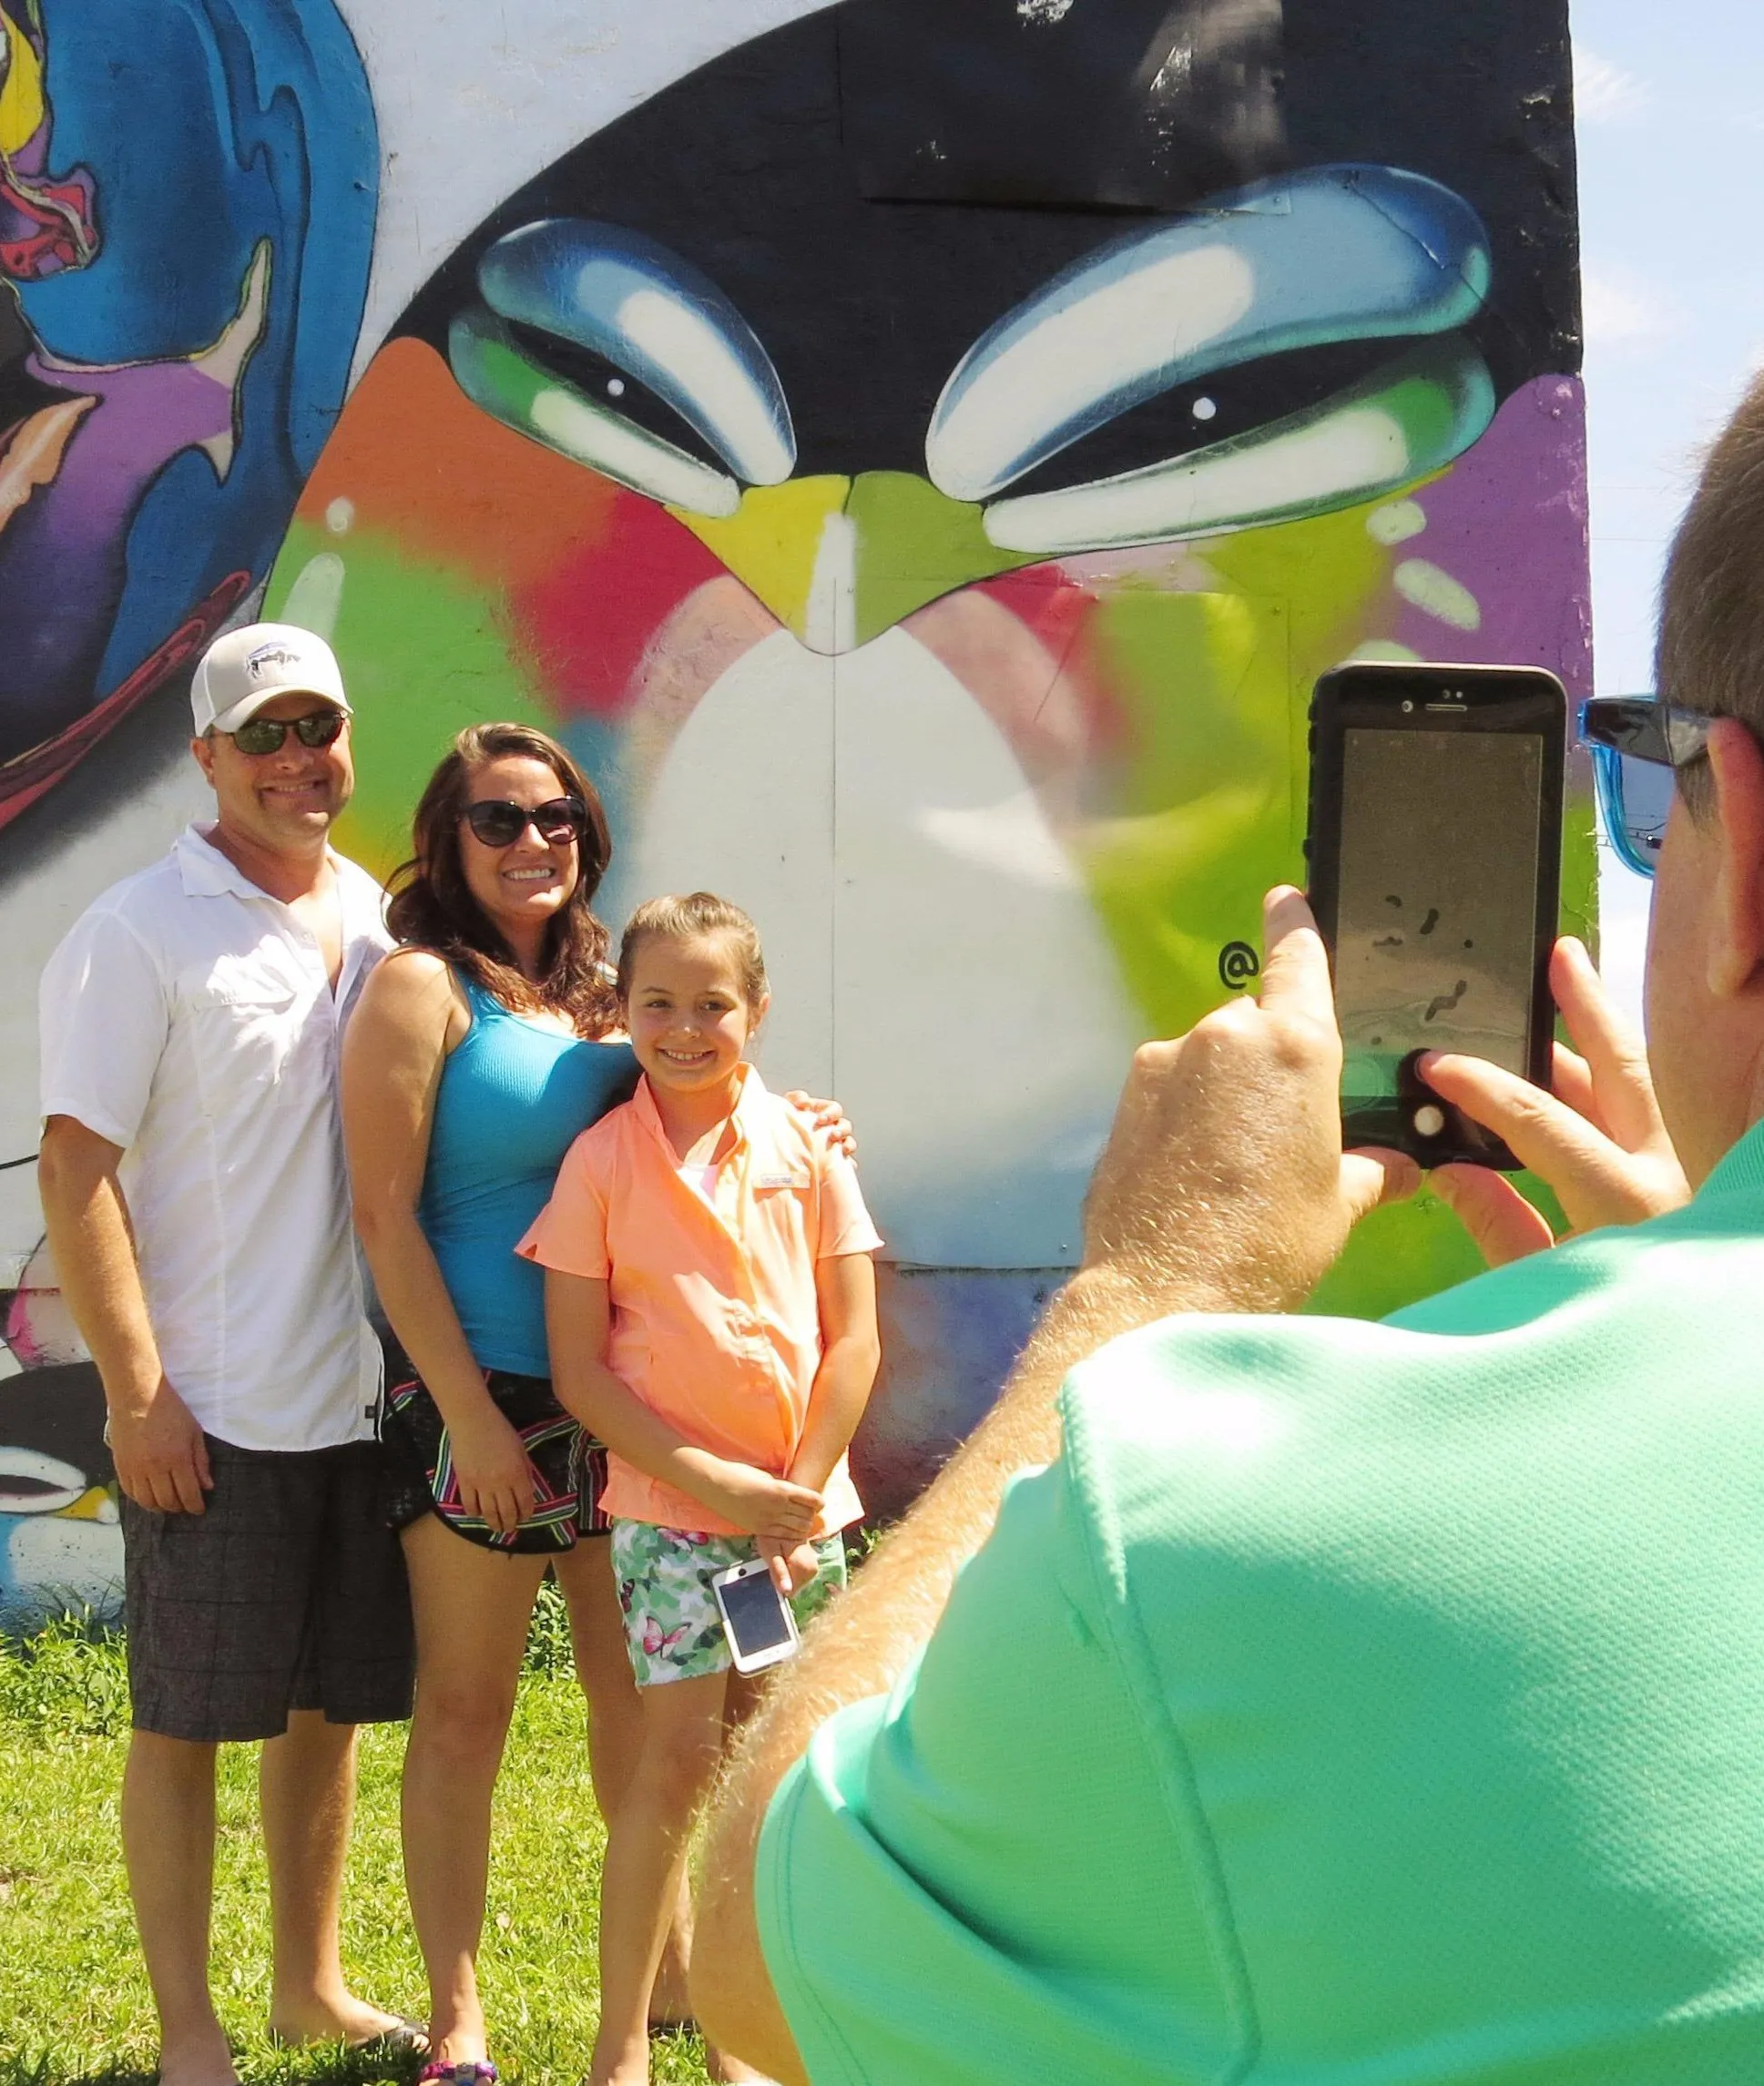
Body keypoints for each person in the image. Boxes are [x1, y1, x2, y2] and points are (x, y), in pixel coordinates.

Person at [687, 384, 1764, 2082]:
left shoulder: (1227, 1542)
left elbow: (757, 1941)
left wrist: (1151, 1286)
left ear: (1747, 846)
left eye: (1658, 797)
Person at [340, 754, 855, 2082]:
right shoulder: (421, 984)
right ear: (446, 838)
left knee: (643, 1704)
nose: (531, 836)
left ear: (588, 831)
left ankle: (676, 1979)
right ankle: (460, 2018)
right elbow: (385, 1215)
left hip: (637, 1407)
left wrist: (802, 1114)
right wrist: (470, 1415)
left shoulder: (605, 988)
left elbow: (704, 1068)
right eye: (496, 816)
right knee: (466, 1708)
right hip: (486, 1390)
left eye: (554, 812)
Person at [36, 624, 417, 2086]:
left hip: (349, 1396)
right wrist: (138, 1394)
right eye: (261, 733)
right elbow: (75, 1173)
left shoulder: (375, 921)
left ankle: (308, 1986)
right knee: (184, 1721)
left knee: (322, 1715)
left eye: (316, 725)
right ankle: (186, 2030)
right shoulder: (139, 930)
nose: (294, 758)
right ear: (206, 757)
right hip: (210, 1406)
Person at [520, 892, 882, 2086]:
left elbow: (854, 1341)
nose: (685, 1026)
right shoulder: (600, 1162)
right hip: (674, 1525)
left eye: (711, 1003)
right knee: (675, 1760)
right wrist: (713, 1478)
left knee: (768, 1767)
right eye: (657, 1001)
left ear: (757, 1011)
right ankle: (620, 2040)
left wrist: (797, 1490)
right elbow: (580, 1368)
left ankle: (749, 2035)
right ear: (623, 1009)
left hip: (784, 1536)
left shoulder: (811, 1147)